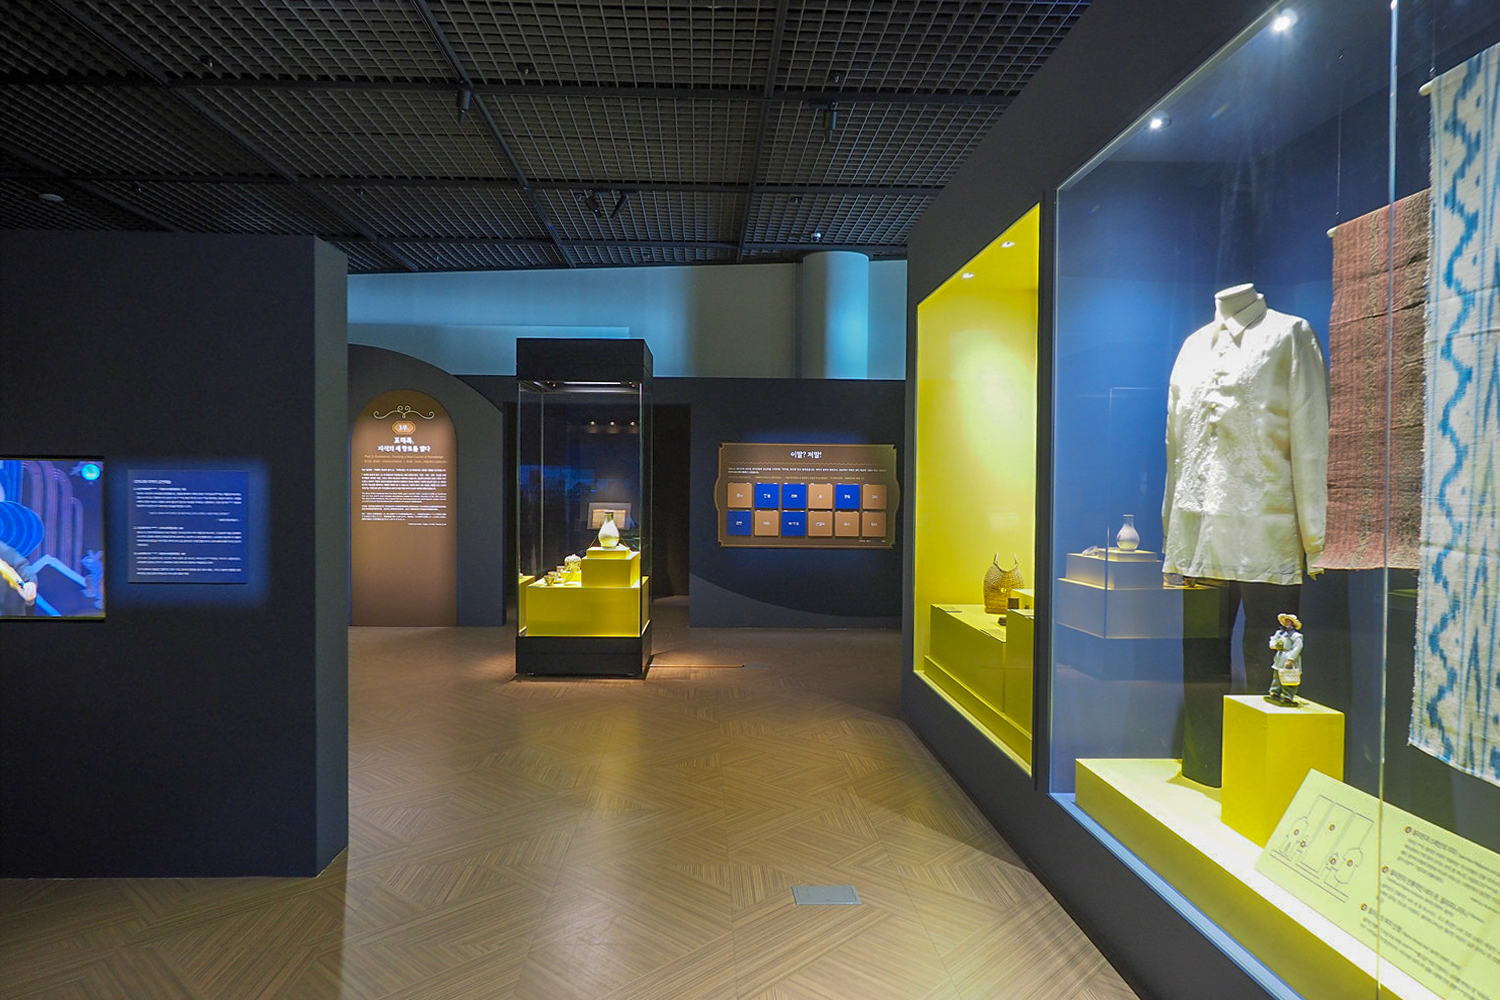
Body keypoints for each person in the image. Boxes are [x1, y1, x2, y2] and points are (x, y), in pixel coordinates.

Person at [1266, 613, 1304, 705]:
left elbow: (1298, 647)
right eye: (1286, 622)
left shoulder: (1296, 636)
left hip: (1289, 657)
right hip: (1280, 656)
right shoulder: (1280, 633)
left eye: (1289, 622)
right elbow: (1273, 639)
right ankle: (1274, 692)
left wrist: (1291, 658)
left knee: (1289, 677)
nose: (1287, 623)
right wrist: (1274, 645)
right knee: (1277, 675)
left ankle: (1288, 696)